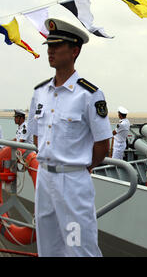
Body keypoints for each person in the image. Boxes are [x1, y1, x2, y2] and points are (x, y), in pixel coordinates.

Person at [27, 18, 112, 257]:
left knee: (79, 247)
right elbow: (37, 138)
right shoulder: (40, 92)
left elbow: (103, 143)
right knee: (48, 245)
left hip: (73, 182)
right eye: (49, 46)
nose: (50, 51)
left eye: (57, 46)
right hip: (44, 179)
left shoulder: (89, 94)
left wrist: (80, 168)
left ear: (74, 50)